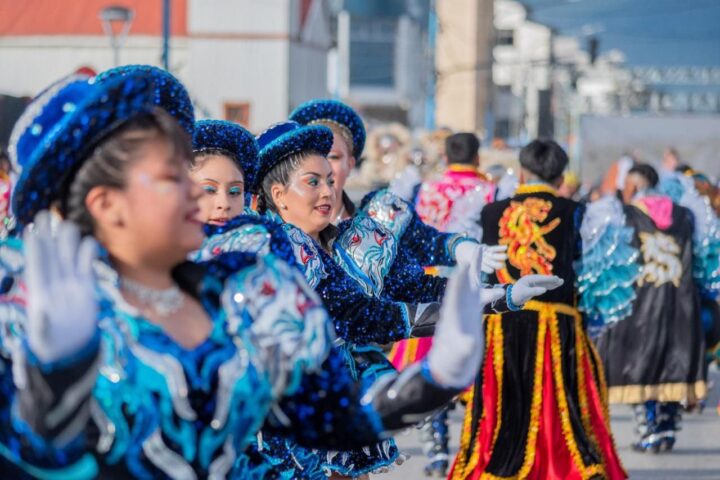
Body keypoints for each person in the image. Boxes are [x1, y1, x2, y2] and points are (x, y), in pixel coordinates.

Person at [0, 69, 491, 478]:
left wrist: (435, 380)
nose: (198, 195)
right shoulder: (28, 313)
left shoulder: (247, 289)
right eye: (174, 177)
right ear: (107, 204)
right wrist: (54, 388)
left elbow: (333, 423)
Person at [246, 121, 562, 479]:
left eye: (330, 179)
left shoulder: (359, 240)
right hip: (287, 414)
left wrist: (500, 295)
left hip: (342, 404)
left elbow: (416, 285)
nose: (328, 190)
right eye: (313, 182)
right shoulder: (271, 251)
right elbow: (360, 316)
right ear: (278, 194)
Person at [450, 139, 626, 480]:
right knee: (560, 404)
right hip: (557, 323)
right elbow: (589, 270)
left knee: (503, 405)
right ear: (560, 178)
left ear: (522, 173)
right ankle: (562, 465)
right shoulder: (577, 212)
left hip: (501, 323)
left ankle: (498, 464)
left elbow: (475, 272)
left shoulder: (490, 212)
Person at [389, 132, 499, 477]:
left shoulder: (425, 188)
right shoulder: (492, 190)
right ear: (477, 157)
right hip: (475, 286)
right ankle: (473, 449)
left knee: (432, 364)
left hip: (430, 287)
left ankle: (435, 448)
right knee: (476, 369)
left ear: (447, 157)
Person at [595, 163, 711, 452]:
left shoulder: (624, 215)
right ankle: (667, 426)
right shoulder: (687, 214)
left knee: (638, 365)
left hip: (640, 304)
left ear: (634, 185)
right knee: (674, 363)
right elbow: (703, 258)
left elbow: (613, 265)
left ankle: (649, 428)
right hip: (681, 302)